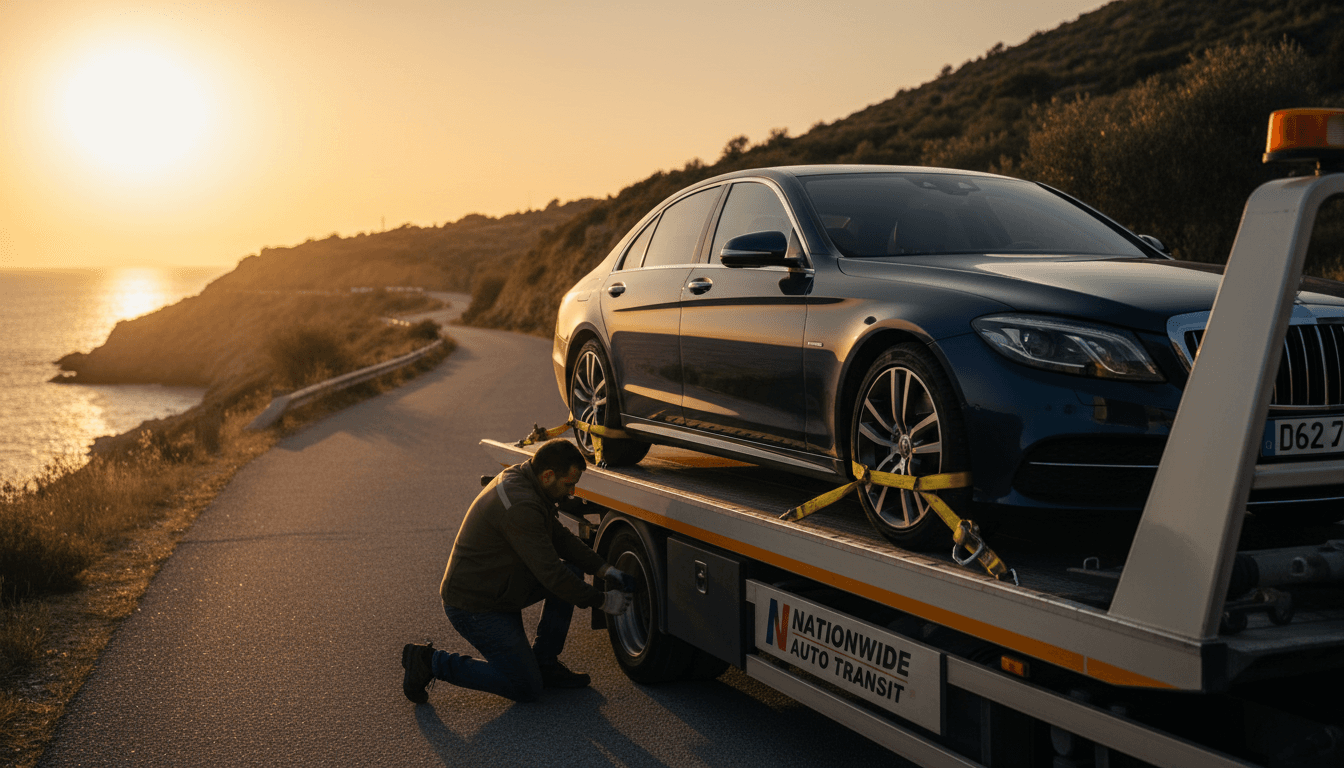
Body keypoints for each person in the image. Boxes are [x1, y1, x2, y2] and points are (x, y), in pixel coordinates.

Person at [401, 438, 635, 704]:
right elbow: (552, 576)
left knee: (571, 569)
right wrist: (604, 601)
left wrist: (604, 569)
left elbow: (560, 537)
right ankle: (429, 662)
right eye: (568, 484)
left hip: (500, 588)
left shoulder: (523, 477)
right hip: (476, 606)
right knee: (525, 686)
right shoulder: (520, 505)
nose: (571, 492)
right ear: (548, 475)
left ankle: (545, 663)